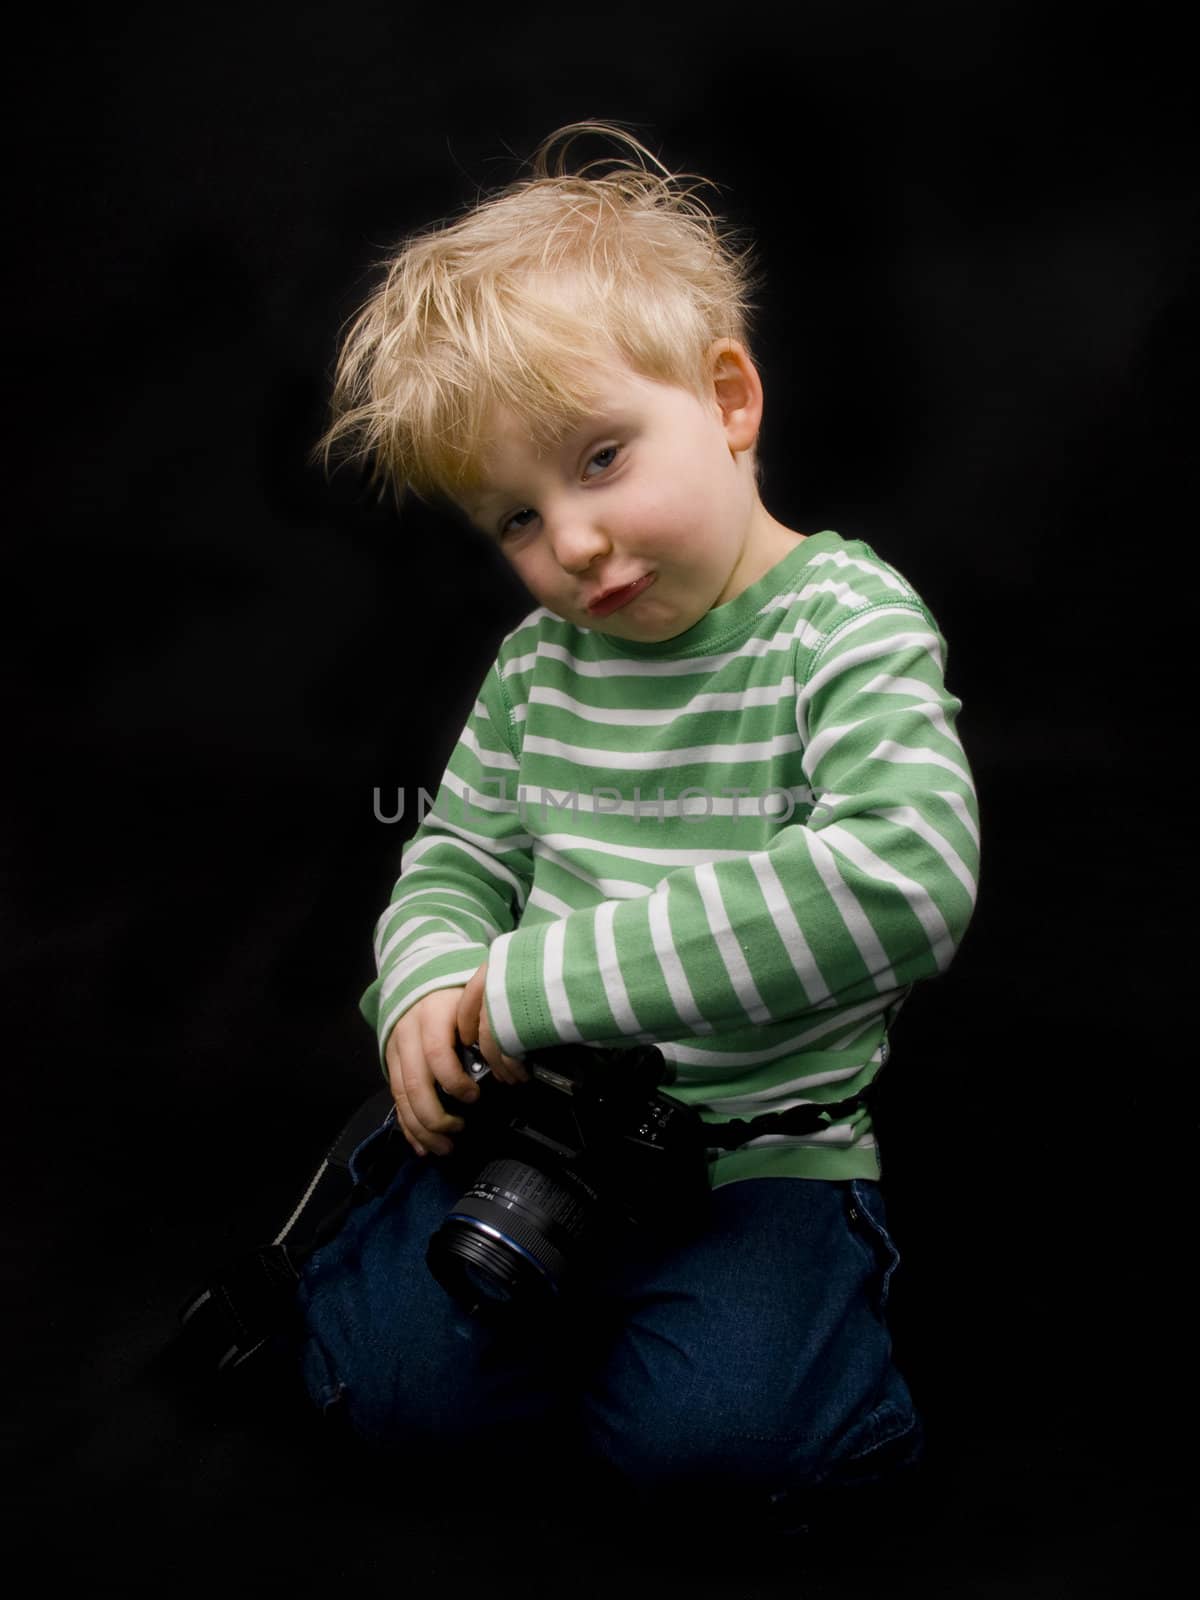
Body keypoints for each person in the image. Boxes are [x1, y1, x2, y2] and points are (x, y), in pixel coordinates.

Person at [295, 122, 979, 1523]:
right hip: (542, 1138)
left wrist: (531, 987)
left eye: (599, 460)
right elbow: (464, 853)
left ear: (728, 399)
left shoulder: (841, 622)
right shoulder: (541, 668)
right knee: (386, 1402)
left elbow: (904, 878)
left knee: (722, 1455)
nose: (573, 545)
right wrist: (428, 979)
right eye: (516, 521)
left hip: (752, 1152)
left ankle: (758, 1345)